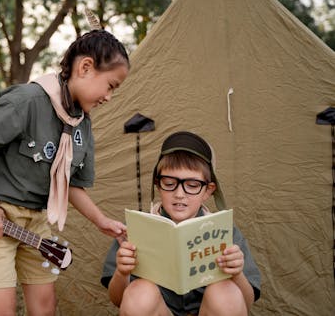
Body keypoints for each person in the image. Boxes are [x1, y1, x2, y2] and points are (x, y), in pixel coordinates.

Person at [0, 29, 130, 316]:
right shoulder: (26, 101)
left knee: (45, 307)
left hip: (35, 223)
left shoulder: (81, 125)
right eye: (110, 86)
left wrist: (102, 221)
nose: (109, 97)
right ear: (85, 67)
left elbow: (71, 184)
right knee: (2, 310)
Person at [101, 131, 261, 316]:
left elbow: (246, 304)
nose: (179, 194)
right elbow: (118, 300)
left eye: (192, 186)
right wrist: (122, 273)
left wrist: (237, 273)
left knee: (225, 292)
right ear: (158, 184)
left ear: (208, 191)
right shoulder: (135, 229)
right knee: (140, 292)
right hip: (159, 311)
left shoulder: (225, 231)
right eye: (169, 183)